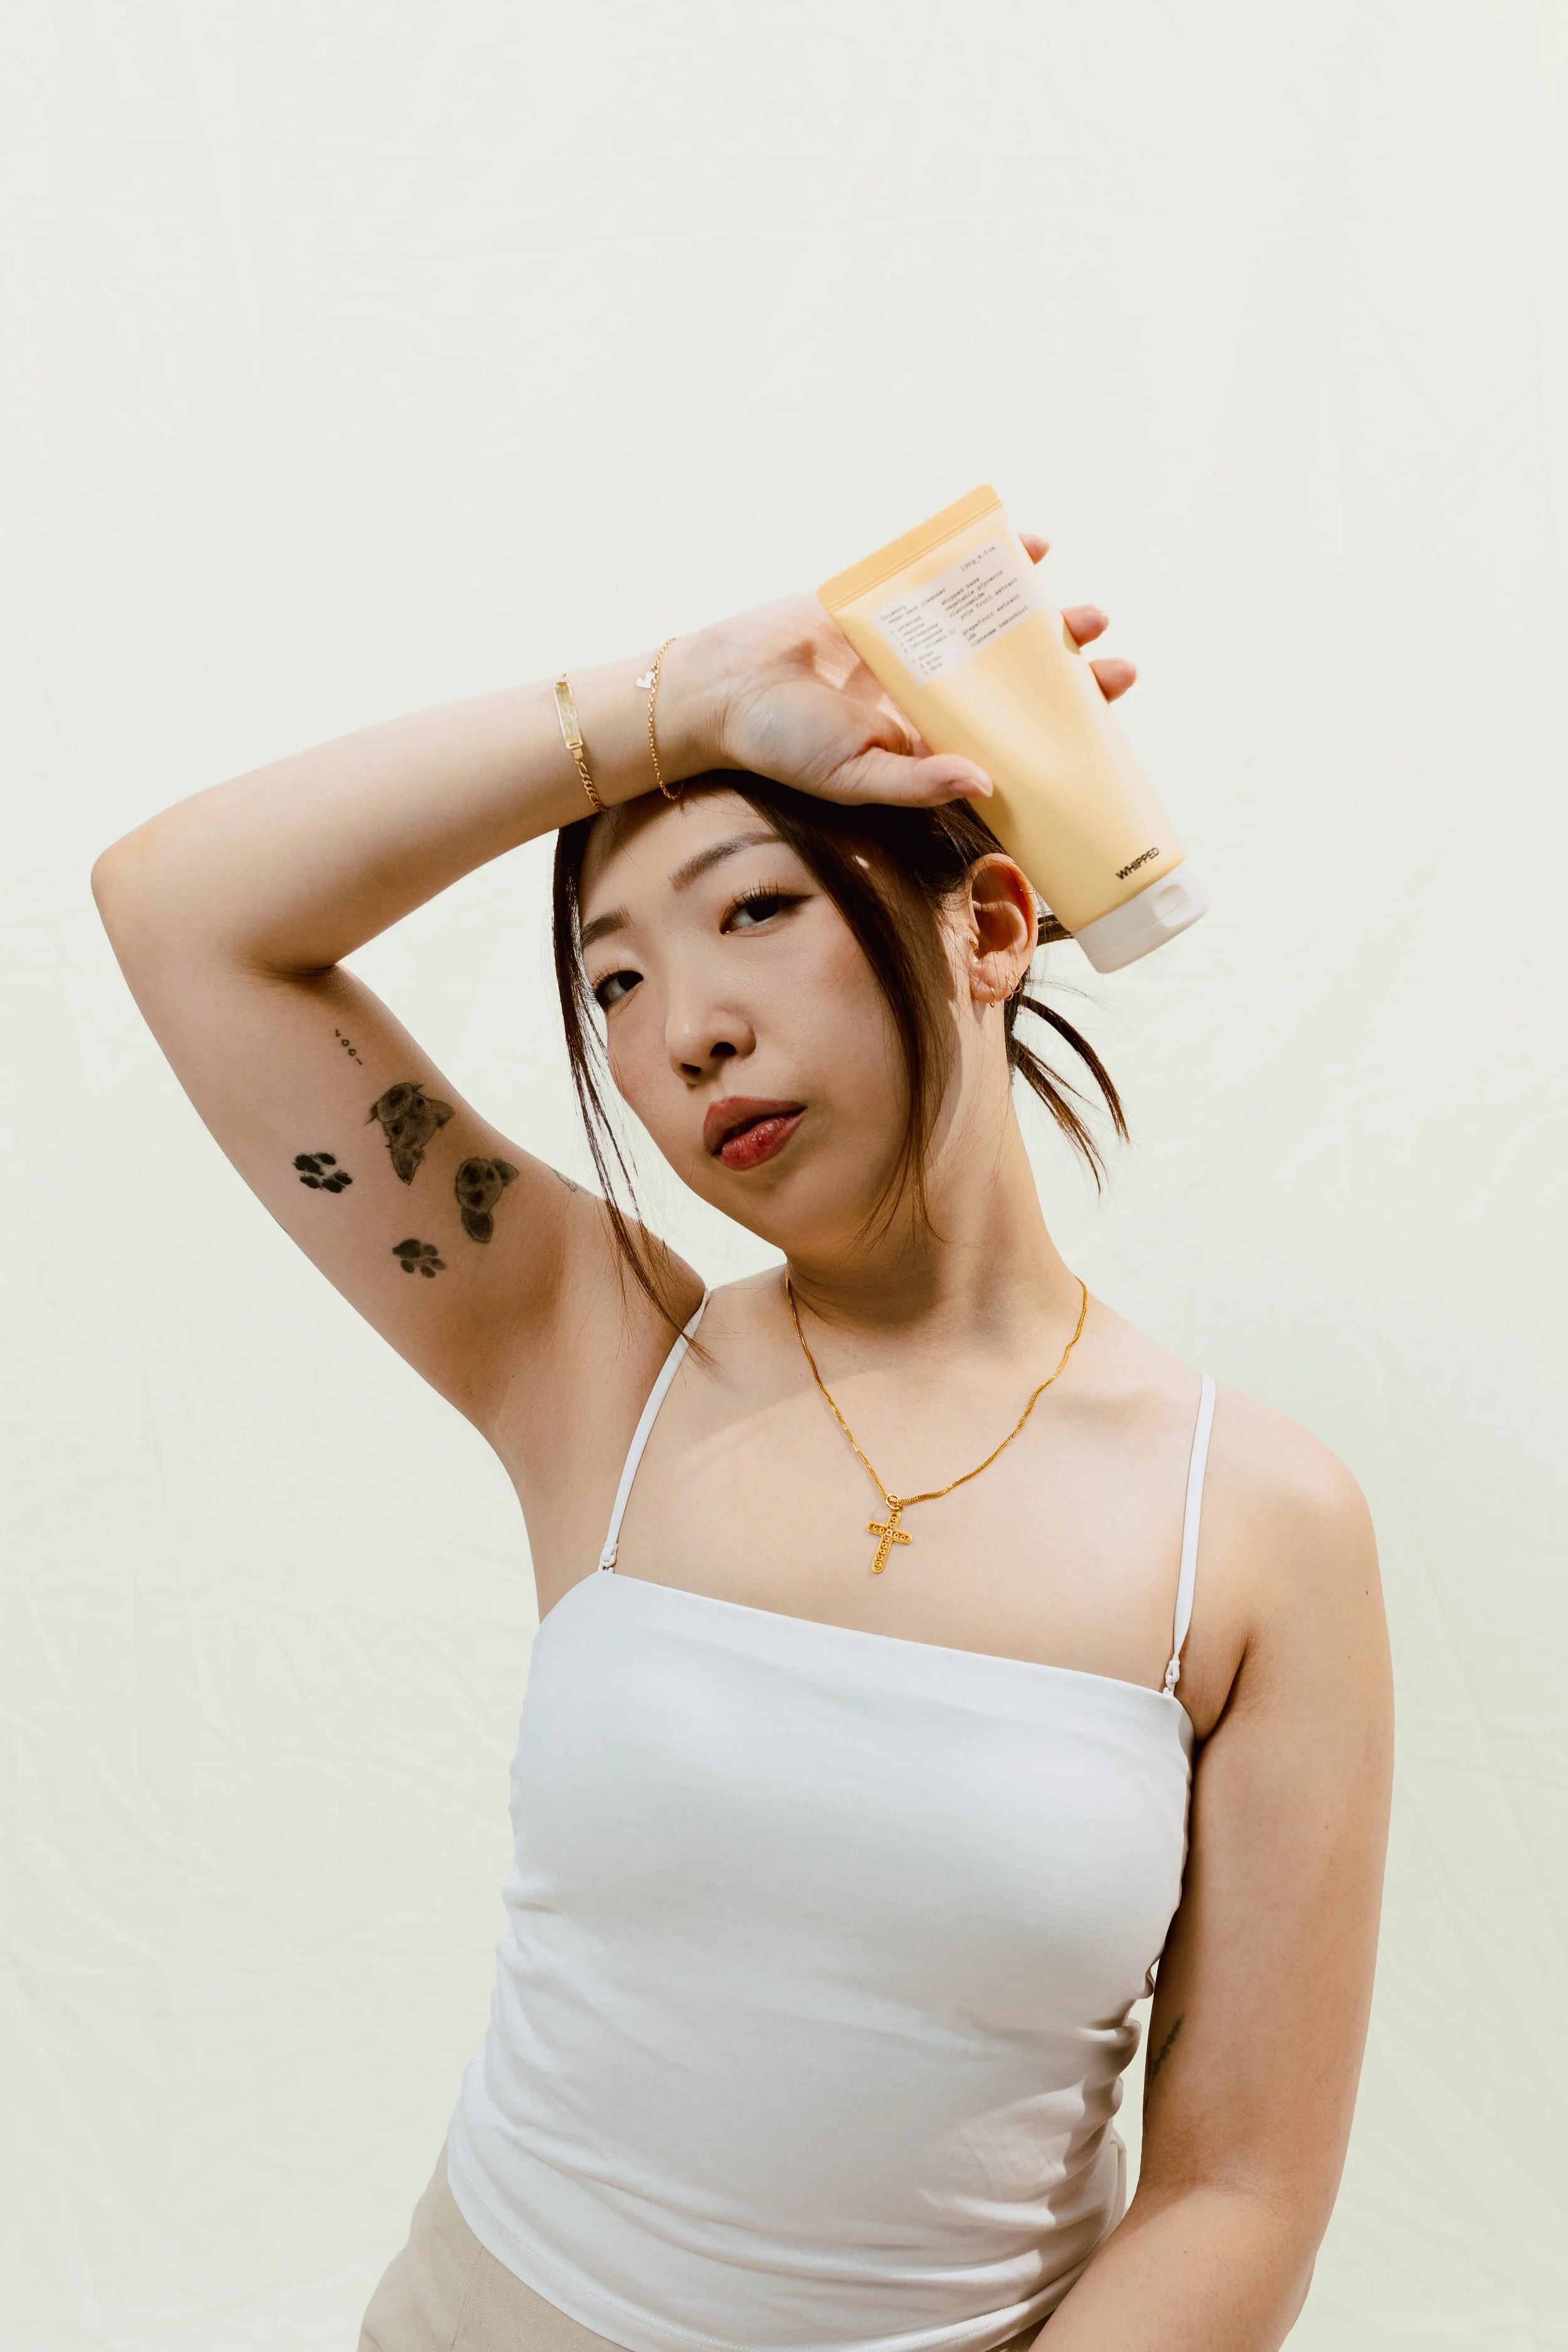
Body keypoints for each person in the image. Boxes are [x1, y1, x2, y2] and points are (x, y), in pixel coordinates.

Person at [91, 531, 1394, 2352]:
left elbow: (1233, 2188)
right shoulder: (593, 1354)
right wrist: (666, 702)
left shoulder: (1247, 1526)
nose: (683, 1030)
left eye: (755, 910)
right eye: (611, 981)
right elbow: (179, 911)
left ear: (993, 926)